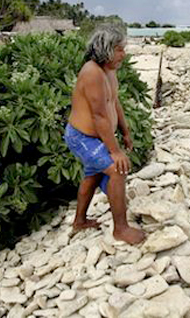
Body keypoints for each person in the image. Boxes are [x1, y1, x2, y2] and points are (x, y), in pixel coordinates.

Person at [64, 24, 145, 245]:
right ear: (107, 49)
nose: (123, 54)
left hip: (97, 137)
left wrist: (125, 132)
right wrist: (115, 151)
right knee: (117, 170)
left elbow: (114, 103)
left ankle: (79, 221)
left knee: (94, 175)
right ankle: (121, 229)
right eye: (119, 49)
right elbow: (99, 116)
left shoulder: (109, 72)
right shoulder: (91, 72)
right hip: (82, 138)